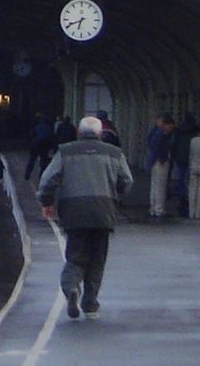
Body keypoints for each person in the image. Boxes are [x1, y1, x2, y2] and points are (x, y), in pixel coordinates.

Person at [38, 115, 134, 320]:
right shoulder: (114, 153)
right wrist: (114, 196)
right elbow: (126, 181)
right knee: (97, 259)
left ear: (78, 133)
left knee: (75, 256)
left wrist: (46, 202)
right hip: (103, 211)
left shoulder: (65, 152)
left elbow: (47, 180)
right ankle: (90, 304)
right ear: (100, 133)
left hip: (74, 211)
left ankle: (72, 287)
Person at [144, 114, 174, 220]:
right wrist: (163, 159)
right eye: (170, 126)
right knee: (160, 187)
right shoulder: (161, 134)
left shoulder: (154, 133)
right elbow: (161, 148)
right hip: (161, 162)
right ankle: (159, 210)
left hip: (154, 162)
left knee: (154, 186)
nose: (171, 129)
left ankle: (153, 208)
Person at [24, 113, 55, 181]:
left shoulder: (37, 127)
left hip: (36, 145)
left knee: (32, 160)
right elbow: (52, 138)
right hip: (44, 146)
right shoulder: (49, 128)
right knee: (44, 162)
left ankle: (27, 175)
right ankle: (41, 177)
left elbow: (31, 135)